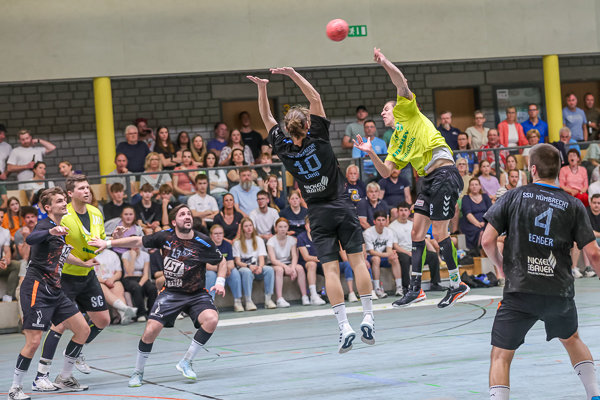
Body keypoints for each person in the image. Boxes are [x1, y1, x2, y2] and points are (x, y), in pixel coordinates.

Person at [248, 67, 375, 353]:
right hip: (341, 204)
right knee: (357, 262)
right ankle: (368, 317)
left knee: (330, 269)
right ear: (307, 124)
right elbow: (315, 97)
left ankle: (344, 326)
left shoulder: (283, 147)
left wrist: (262, 87)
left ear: (288, 128)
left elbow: (267, 118)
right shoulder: (318, 135)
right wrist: (293, 74)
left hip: (317, 213)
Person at [481, 143, 600, 400]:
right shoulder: (573, 204)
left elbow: (487, 241)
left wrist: (500, 265)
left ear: (532, 169)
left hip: (520, 290)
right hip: (558, 290)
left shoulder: (513, 196)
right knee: (572, 339)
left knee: (501, 355)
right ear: (559, 169)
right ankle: (594, 395)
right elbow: (594, 254)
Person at [355, 47, 469, 308]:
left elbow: (401, 82)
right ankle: (415, 289)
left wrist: (384, 61)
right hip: (427, 180)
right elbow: (386, 172)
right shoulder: (394, 141)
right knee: (417, 232)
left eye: (385, 109)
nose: (382, 113)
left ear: (397, 109)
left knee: (439, 232)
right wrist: (371, 152)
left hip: (444, 173)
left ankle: (457, 284)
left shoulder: (408, 111)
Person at [89, 204, 227, 387]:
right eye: (182, 214)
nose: (187, 216)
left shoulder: (203, 241)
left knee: (211, 319)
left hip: (196, 294)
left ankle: (186, 362)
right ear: (174, 221)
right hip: (171, 293)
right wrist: (107, 243)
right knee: (150, 331)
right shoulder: (165, 236)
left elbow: (222, 261)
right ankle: (138, 372)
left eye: (188, 214)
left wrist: (220, 282)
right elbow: (137, 241)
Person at [7, 188, 98, 399]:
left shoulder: (59, 228)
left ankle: (64, 377)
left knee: (83, 330)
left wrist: (84, 263)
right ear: (48, 207)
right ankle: (15, 389)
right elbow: (32, 239)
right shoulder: (44, 225)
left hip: (55, 289)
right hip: (37, 288)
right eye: (59, 201)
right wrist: (50, 232)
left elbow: (62, 254)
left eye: (64, 200)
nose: (64, 203)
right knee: (33, 341)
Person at [34, 176, 110, 389]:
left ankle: (74, 355)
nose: (87, 191)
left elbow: (99, 239)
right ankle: (42, 375)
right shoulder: (63, 216)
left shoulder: (95, 213)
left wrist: (108, 240)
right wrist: (83, 262)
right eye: (81, 188)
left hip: (88, 275)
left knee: (102, 320)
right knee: (60, 325)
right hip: (65, 277)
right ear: (70, 193)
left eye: (88, 187)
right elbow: (59, 250)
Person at [389, 202, 445, 295]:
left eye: (405, 210)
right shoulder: (392, 227)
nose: (403, 213)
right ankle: (406, 286)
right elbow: (395, 246)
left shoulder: (413, 224)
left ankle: (435, 283)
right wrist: (408, 253)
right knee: (404, 259)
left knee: (433, 256)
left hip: (415, 250)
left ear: (409, 212)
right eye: (401, 210)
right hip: (402, 251)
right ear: (398, 212)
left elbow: (421, 238)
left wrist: (421, 250)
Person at [232, 217, 276, 310]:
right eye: (246, 226)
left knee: (269, 269)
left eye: (250, 225)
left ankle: (268, 299)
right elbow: (238, 262)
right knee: (247, 272)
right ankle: (248, 301)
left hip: (256, 267)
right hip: (244, 268)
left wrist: (260, 267)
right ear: (242, 228)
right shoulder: (237, 242)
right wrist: (249, 266)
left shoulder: (258, 240)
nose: (249, 228)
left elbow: (261, 258)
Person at [297, 217, 340, 304]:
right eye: (309, 224)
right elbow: (306, 257)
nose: (311, 226)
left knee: (331, 264)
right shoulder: (301, 237)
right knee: (312, 264)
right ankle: (313, 295)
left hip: (320, 262)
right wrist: (320, 259)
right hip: (306, 264)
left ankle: (329, 293)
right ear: (306, 226)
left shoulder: (321, 237)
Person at [267, 217, 309, 307]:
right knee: (279, 270)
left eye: (285, 227)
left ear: (288, 228)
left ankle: (304, 296)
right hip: (275, 264)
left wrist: (292, 268)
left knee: (300, 268)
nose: (283, 229)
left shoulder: (292, 240)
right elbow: (273, 260)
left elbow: (294, 256)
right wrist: (285, 267)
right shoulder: (271, 241)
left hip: (288, 263)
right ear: (276, 228)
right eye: (280, 227)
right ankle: (279, 299)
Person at [363, 211, 404, 298]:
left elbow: (389, 249)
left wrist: (390, 254)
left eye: (383, 220)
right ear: (374, 221)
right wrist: (388, 254)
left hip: (383, 255)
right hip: (371, 257)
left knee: (394, 258)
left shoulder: (389, 232)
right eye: (379, 220)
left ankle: (399, 287)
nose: (381, 222)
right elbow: (371, 251)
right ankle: (377, 289)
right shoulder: (368, 232)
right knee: (376, 259)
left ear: (386, 221)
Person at [204, 224, 244, 312]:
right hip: (212, 270)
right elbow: (207, 265)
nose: (218, 236)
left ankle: (237, 301)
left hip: (224, 270)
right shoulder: (207, 246)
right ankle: (210, 303)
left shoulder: (227, 245)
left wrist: (226, 269)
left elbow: (231, 263)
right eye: (216, 234)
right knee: (210, 275)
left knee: (235, 272)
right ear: (211, 235)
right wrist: (222, 269)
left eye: (220, 233)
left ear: (223, 234)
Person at [93, 248, 137, 325]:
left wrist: (112, 279)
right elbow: (90, 275)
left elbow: (119, 272)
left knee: (118, 286)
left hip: (112, 280)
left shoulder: (112, 254)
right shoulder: (89, 254)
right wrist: (104, 281)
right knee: (102, 287)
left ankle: (124, 316)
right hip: (98, 281)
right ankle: (125, 309)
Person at [121, 247, 157, 322]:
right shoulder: (125, 255)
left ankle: (151, 312)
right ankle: (141, 314)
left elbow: (146, 274)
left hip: (142, 278)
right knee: (136, 287)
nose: (136, 246)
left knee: (152, 288)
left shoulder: (145, 255)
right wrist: (133, 258)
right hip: (129, 279)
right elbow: (129, 272)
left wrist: (140, 284)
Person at [459, 178, 492, 251]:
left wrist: (485, 222)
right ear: (469, 187)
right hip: (470, 223)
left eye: (476, 184)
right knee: (479, 231)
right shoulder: (466, 198)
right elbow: (468, 214)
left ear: (480, 186)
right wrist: (478, 223)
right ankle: (477, 251)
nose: (474, 186)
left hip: (485, 221)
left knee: (487, 230)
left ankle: (485, 251)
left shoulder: (485, 197)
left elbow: (490, 211)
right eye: (472, 185)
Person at [0, 221, 17, 302]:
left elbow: (7, 251)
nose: (0, 219)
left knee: (17, 265)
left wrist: (6, 260)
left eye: (1, 217)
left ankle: (9, 295)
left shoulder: (5, 232)